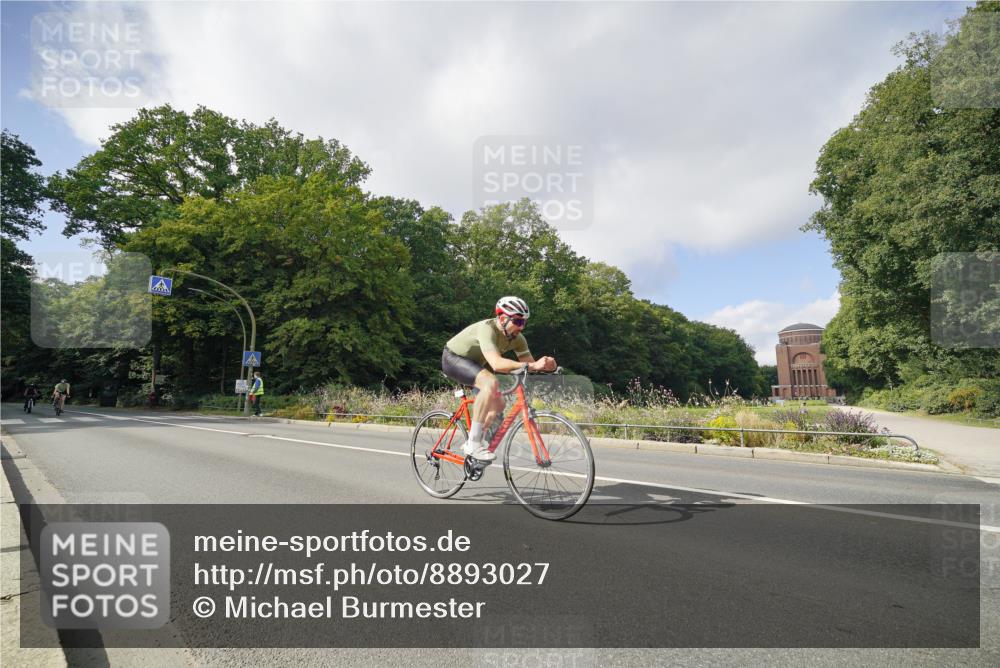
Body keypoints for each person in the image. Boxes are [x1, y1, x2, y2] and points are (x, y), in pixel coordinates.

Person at [441, 296, 556, 462]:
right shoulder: (487, 329)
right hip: (454, 358)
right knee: (490, 382)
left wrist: (547, 366)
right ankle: (473, 443)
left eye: (524, 322)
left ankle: (476, 440)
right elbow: (496, 364)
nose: (521, 327)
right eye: (517, 321)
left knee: (499, 404)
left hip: (478, 363)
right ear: (502, 318)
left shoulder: (518, 339)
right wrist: (532, 366)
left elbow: (530, 365)